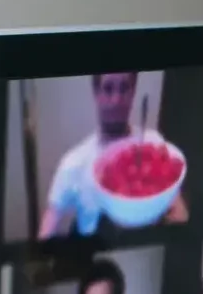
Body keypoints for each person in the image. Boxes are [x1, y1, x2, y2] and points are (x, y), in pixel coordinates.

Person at [38, 72, 187, 238]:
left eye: (124, 88)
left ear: (133, 91)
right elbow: (46, 232)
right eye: (108, 89)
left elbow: (178, 209)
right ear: (96, 93)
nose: (116, 100)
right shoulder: (73, 163)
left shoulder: (154, 143)